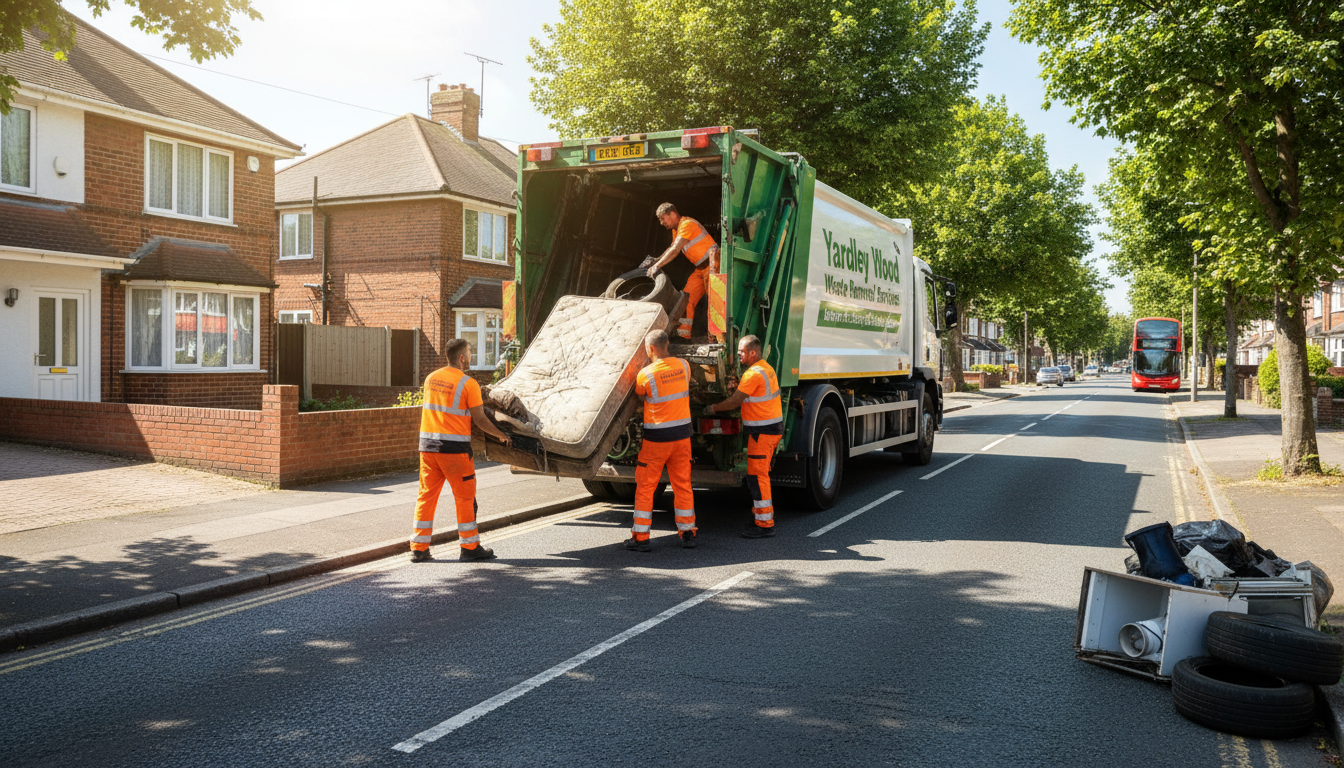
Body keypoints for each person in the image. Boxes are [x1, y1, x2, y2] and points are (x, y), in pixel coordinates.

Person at [410, 338, 512, 562]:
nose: (471, 356)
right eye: (470, 352)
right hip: (454, 451)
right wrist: (501, 435)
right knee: (465, 499)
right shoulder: (468, 384)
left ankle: (419, 548)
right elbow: (480, 419)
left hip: (428, 448)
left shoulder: (430, 379)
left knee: (426, 497)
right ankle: (469, 547)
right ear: (462, 357)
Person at [703, 335, 782, 538]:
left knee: (757, 477)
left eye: (741, 351)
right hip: (769, 430)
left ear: (753, 352)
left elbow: (734, 402)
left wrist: (713, 408)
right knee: (759, 475)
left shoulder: (753, 374)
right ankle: (760, 517)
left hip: (762, 432)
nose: (738, 354)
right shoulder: (766, 368)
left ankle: (765, 524)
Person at [626, 329, 697, 551]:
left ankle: (641, 537)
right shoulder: (684, 366)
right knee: (682, 484)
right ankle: (687, 533)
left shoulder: (645, 374)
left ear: (651, 349)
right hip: (682, 438)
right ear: (667, 345)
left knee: (646, 487)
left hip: (657, 440)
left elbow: (640, 395)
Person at [646, 202, 719, 341]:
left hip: (714, 264)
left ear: (672, 214)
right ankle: (683, 337)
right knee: (685, 300)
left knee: (714, 303)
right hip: (701, 268)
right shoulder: (677, 229)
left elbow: (676, 249)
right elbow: (672, 247)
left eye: (662, 218)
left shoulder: (687, 224)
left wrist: (657, 266)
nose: (661, 223)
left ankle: (715, 339)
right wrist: (656, 260)